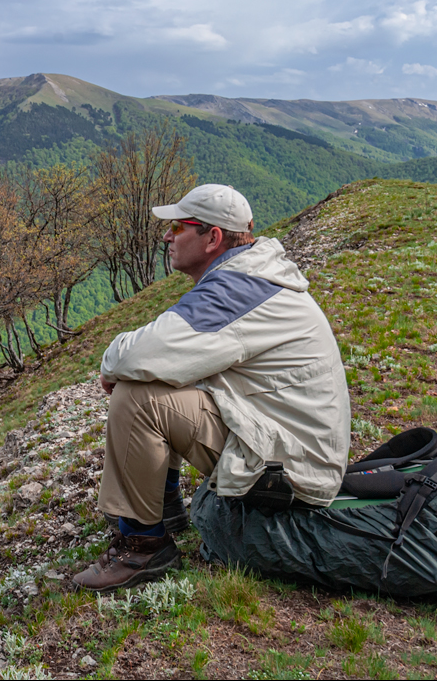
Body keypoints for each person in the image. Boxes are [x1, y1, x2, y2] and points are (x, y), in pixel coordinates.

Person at [73, 184, 350, 591]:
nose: (167, 236)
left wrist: (111, 362)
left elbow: (142, 352)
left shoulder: (237, 289)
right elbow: (169, 355)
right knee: (158, 376)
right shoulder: (249, 278)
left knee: (137, 395)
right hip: (292, 446)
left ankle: (143, 547)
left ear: (213, 237)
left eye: (179, 227)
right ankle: (163, 509)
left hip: (293, 470)